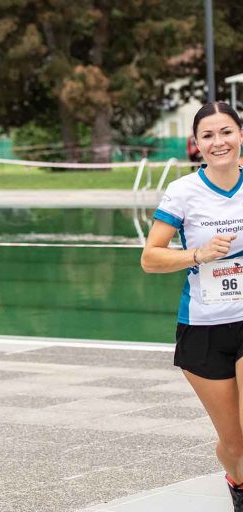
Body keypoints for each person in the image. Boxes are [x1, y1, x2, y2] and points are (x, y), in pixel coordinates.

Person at [141, 101, 243, 511]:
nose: (218, 142)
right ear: (197, 144)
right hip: (202, 328)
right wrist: (198, 255)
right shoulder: (183, 191)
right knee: (234, 444)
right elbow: (150, 258)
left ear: (241, 136)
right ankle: (236, 479)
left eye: (226, 132)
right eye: (208, 135)